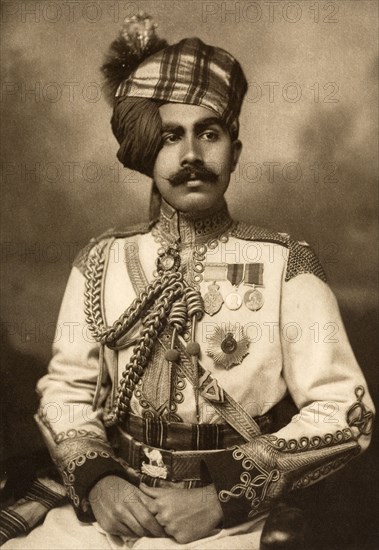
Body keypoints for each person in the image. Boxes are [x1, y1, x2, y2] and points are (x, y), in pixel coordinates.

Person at [2, 13, 374, 550]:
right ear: (147, 151)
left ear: (235, 152)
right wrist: (100, 482)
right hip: (113, 506)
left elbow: (346, 412)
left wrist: (221, 498)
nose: (192, 155)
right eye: (171, 136)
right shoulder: (100, 260)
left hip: (232, 519)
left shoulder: (286, 263)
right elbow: (65, 392)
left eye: (210, 133)